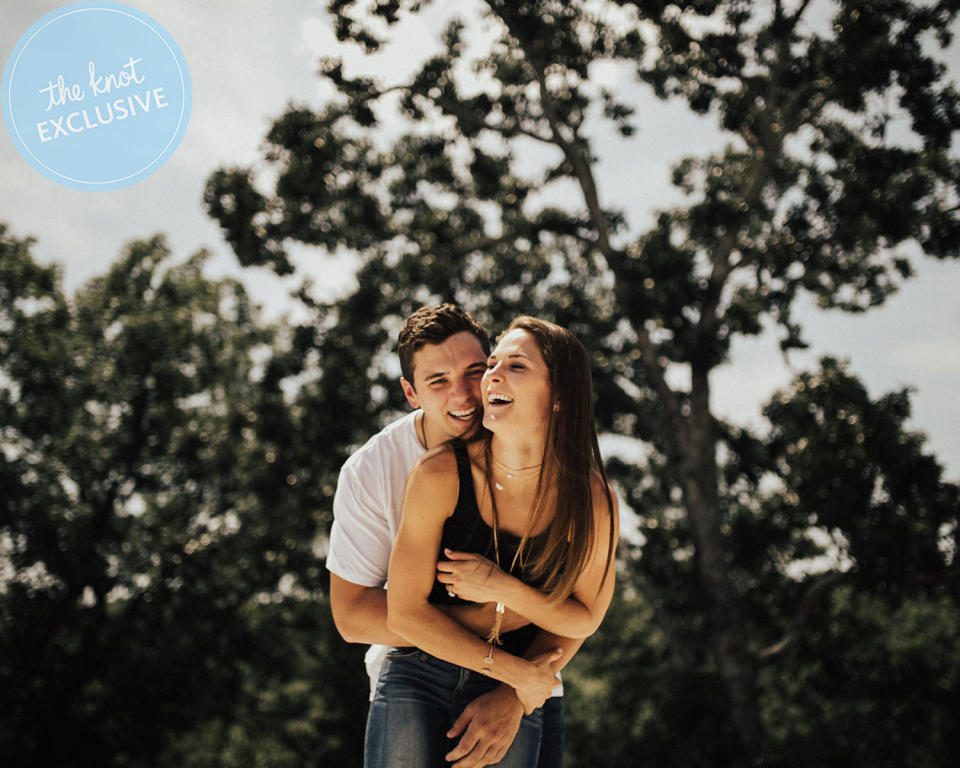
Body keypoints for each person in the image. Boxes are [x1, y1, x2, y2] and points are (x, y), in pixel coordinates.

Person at [327, 304, 578, 768]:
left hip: (534, 683)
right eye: (437, 381)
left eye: (474, 371)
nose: (463, 394)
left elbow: (579, 603)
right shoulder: (372, 470)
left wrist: (515, 692)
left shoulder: (549, 457)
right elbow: (351, 615)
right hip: (414, 682)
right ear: (410, 392)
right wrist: (485, 621)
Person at [371, 316, 619, 767]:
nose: (493, 376)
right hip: (419, 673)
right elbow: (404, 614)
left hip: (511, 689)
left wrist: (501, 590)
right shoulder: (439, 474)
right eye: (492, 364)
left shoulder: (592, 499)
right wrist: (518, 675)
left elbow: (582, 618)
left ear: (560, 395)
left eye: (517, 366)